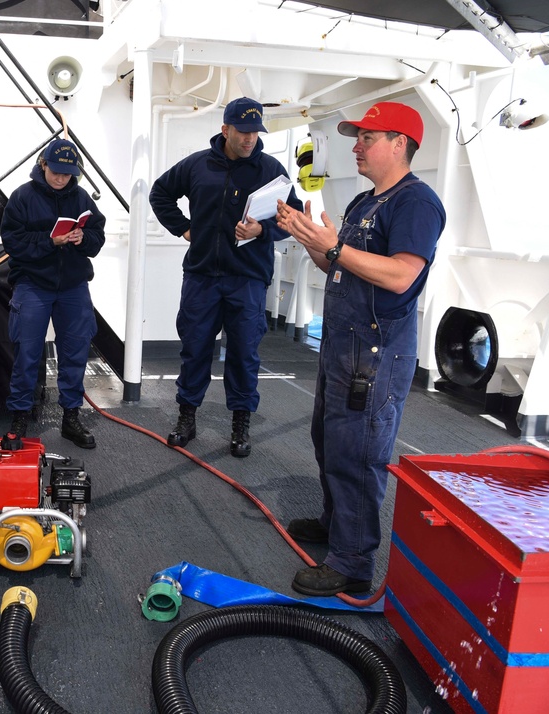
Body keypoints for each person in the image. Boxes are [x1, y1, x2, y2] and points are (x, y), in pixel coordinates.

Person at [276, 102, 446, 597]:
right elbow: (340, 266)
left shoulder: (415, 203)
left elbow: (401, 274)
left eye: (367, 138)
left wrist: (332, 248)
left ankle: (352, 562)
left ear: (400, 144)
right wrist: (308, 238)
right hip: (341, 345)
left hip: (375, 352)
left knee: (359, 453)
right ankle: (336, 527)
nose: (356, 145)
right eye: (357, 137)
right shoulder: (364, 202)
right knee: (329, 440)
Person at [150, 97, 303, 458]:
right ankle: (187, 418)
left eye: (255, 132)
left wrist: (261, 232)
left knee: (244, 353)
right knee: (195, 348)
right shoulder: (198, 166)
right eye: (243, 131)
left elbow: (292, 217)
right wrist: (183, 229)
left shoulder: (270, 170)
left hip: (247, 279)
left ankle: (240, 424)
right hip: (202, 275)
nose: (250, 139)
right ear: (225, 129)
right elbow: (160, 192)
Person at [0, 138, 105, 448]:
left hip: (74, 286)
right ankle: (19, 418)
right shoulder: (22, 198)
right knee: (26, 355)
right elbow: (13, 244)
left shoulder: (82, 197)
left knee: (75, 353)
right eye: (57, 171)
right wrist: (50, 242)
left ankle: (71, 418)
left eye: (68, 173)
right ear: (43, 164)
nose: (62, 178)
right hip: (33, 286)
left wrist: (82, 236)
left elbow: (97, 238)